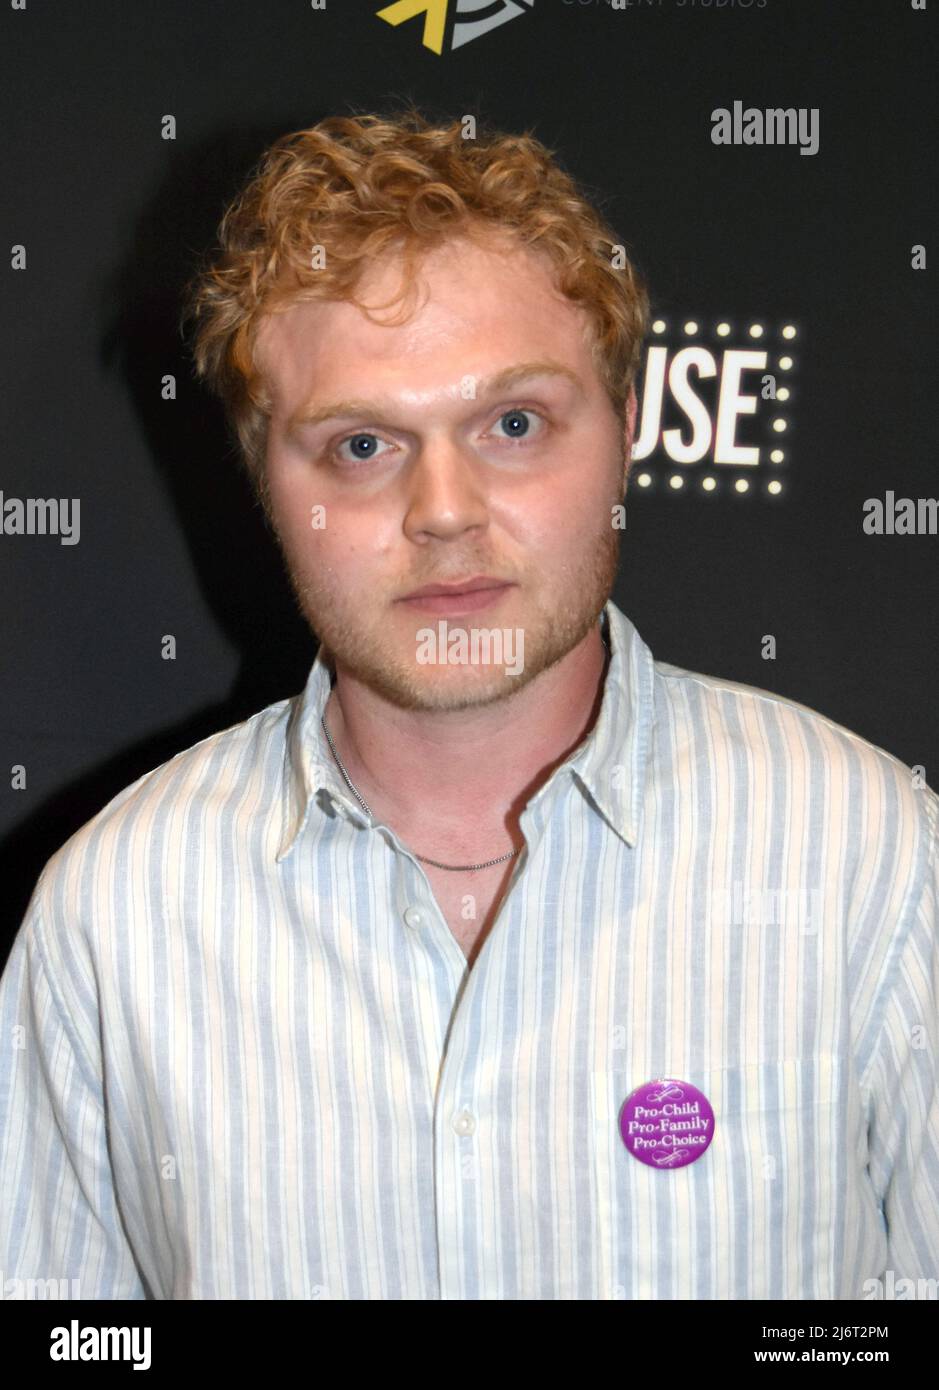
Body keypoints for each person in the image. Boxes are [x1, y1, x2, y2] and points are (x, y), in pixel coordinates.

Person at [0, 107, 936, 1301]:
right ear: (261, 478)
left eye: (511, 423)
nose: (443, 509)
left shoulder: (868, 860)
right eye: (360, 446)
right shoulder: (111, 919)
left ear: (632, 428)